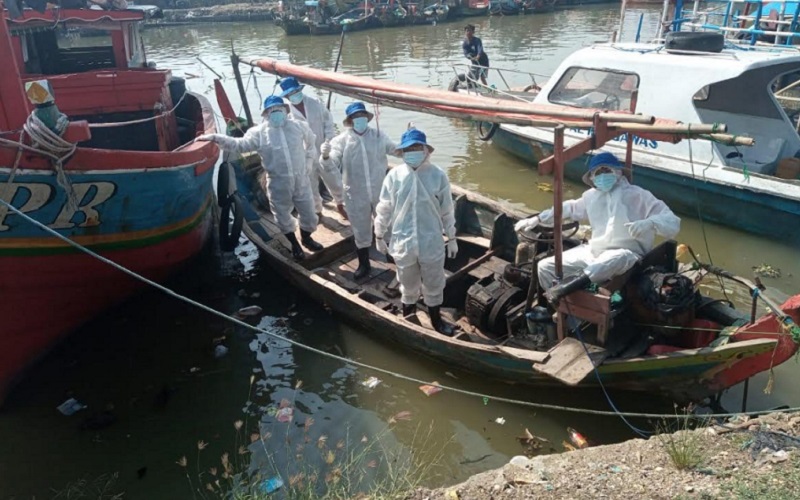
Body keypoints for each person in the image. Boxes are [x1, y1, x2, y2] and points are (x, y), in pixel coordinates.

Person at [515, 152, 681, 304]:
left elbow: (672, 221)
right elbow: (569, 208)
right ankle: (566, 306)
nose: (602, 176)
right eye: (598, 173)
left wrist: (650, 223)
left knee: (614, 259)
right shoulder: (591, 197)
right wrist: (538, 218)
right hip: (594, 252)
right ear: (592, 178)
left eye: (606, 171)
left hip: (628, 255)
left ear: (617, 172)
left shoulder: (639, 195)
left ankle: (563, 290)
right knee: (544, 267)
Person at [198, 96, 324, 261]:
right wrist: (216, 138)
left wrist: (308, 162)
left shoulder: (298, 126)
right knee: (282, 216)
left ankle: (307, 237)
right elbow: (238, 145)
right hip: (278, 182)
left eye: (279, 109)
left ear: (285, 110)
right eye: (272, 111)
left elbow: (311, 142)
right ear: (266, 114)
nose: (276, 113)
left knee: (309, 214)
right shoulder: (259, 133)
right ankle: (295, 244)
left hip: (301, 179)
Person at [374, 129, 458, 335]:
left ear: (425, 150)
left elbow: (447, 209)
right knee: (407, 282)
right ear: (402, 152)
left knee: (434, 282)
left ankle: (437, 321)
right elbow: (384, 207)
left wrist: (452, 236)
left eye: (416, 147)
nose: (413, 152)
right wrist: (378, 233)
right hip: (403, 240)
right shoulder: (394, 176)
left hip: (431, 240)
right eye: (408, 148)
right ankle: (408, 316)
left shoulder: (437, 175)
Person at [319, 102, 399, 280]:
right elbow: (331, 164)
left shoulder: (378, 135)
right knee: (361, 229)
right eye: (355, 116)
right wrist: (325, 156)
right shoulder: (341, 140)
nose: (359, 119)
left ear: (367, 117)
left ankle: (391, 255)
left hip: (380, 190)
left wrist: (409, 143)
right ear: (350, 120)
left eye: (362, 115)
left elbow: (395, 150)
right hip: (355, 193)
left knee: (387, 223)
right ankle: (364, 264)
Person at [278, 77, 336, 215]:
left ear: (300, 90)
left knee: (334, 179)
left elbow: (328, 123)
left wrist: (329, 141)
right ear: (286, 96)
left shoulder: (315, 104)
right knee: (311, 185)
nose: (294, 95)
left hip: (324, 149)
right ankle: (317, 211)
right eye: (290, 94)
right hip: (304, 155)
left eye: (296, 91)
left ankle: (340, 203)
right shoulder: (286, 114)